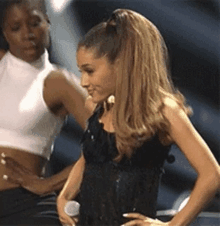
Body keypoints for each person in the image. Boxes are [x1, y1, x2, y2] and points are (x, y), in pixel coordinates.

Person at [57, 8, 220, 226]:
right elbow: (88, 158)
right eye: (81, 71)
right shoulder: (101, 106)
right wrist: (64, 196)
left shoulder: (164, 110)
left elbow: (211, 175)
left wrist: (171, 225)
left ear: (121, 65)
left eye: (90, 71)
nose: (83, 82)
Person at [0, 0, 90, 225]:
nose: (27, 34)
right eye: (16, 27)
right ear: (5, 32)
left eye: (34, 23)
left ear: (48, 23)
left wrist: (50, 184)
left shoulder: (58, 83)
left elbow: (114, 142)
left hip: (24, 209)